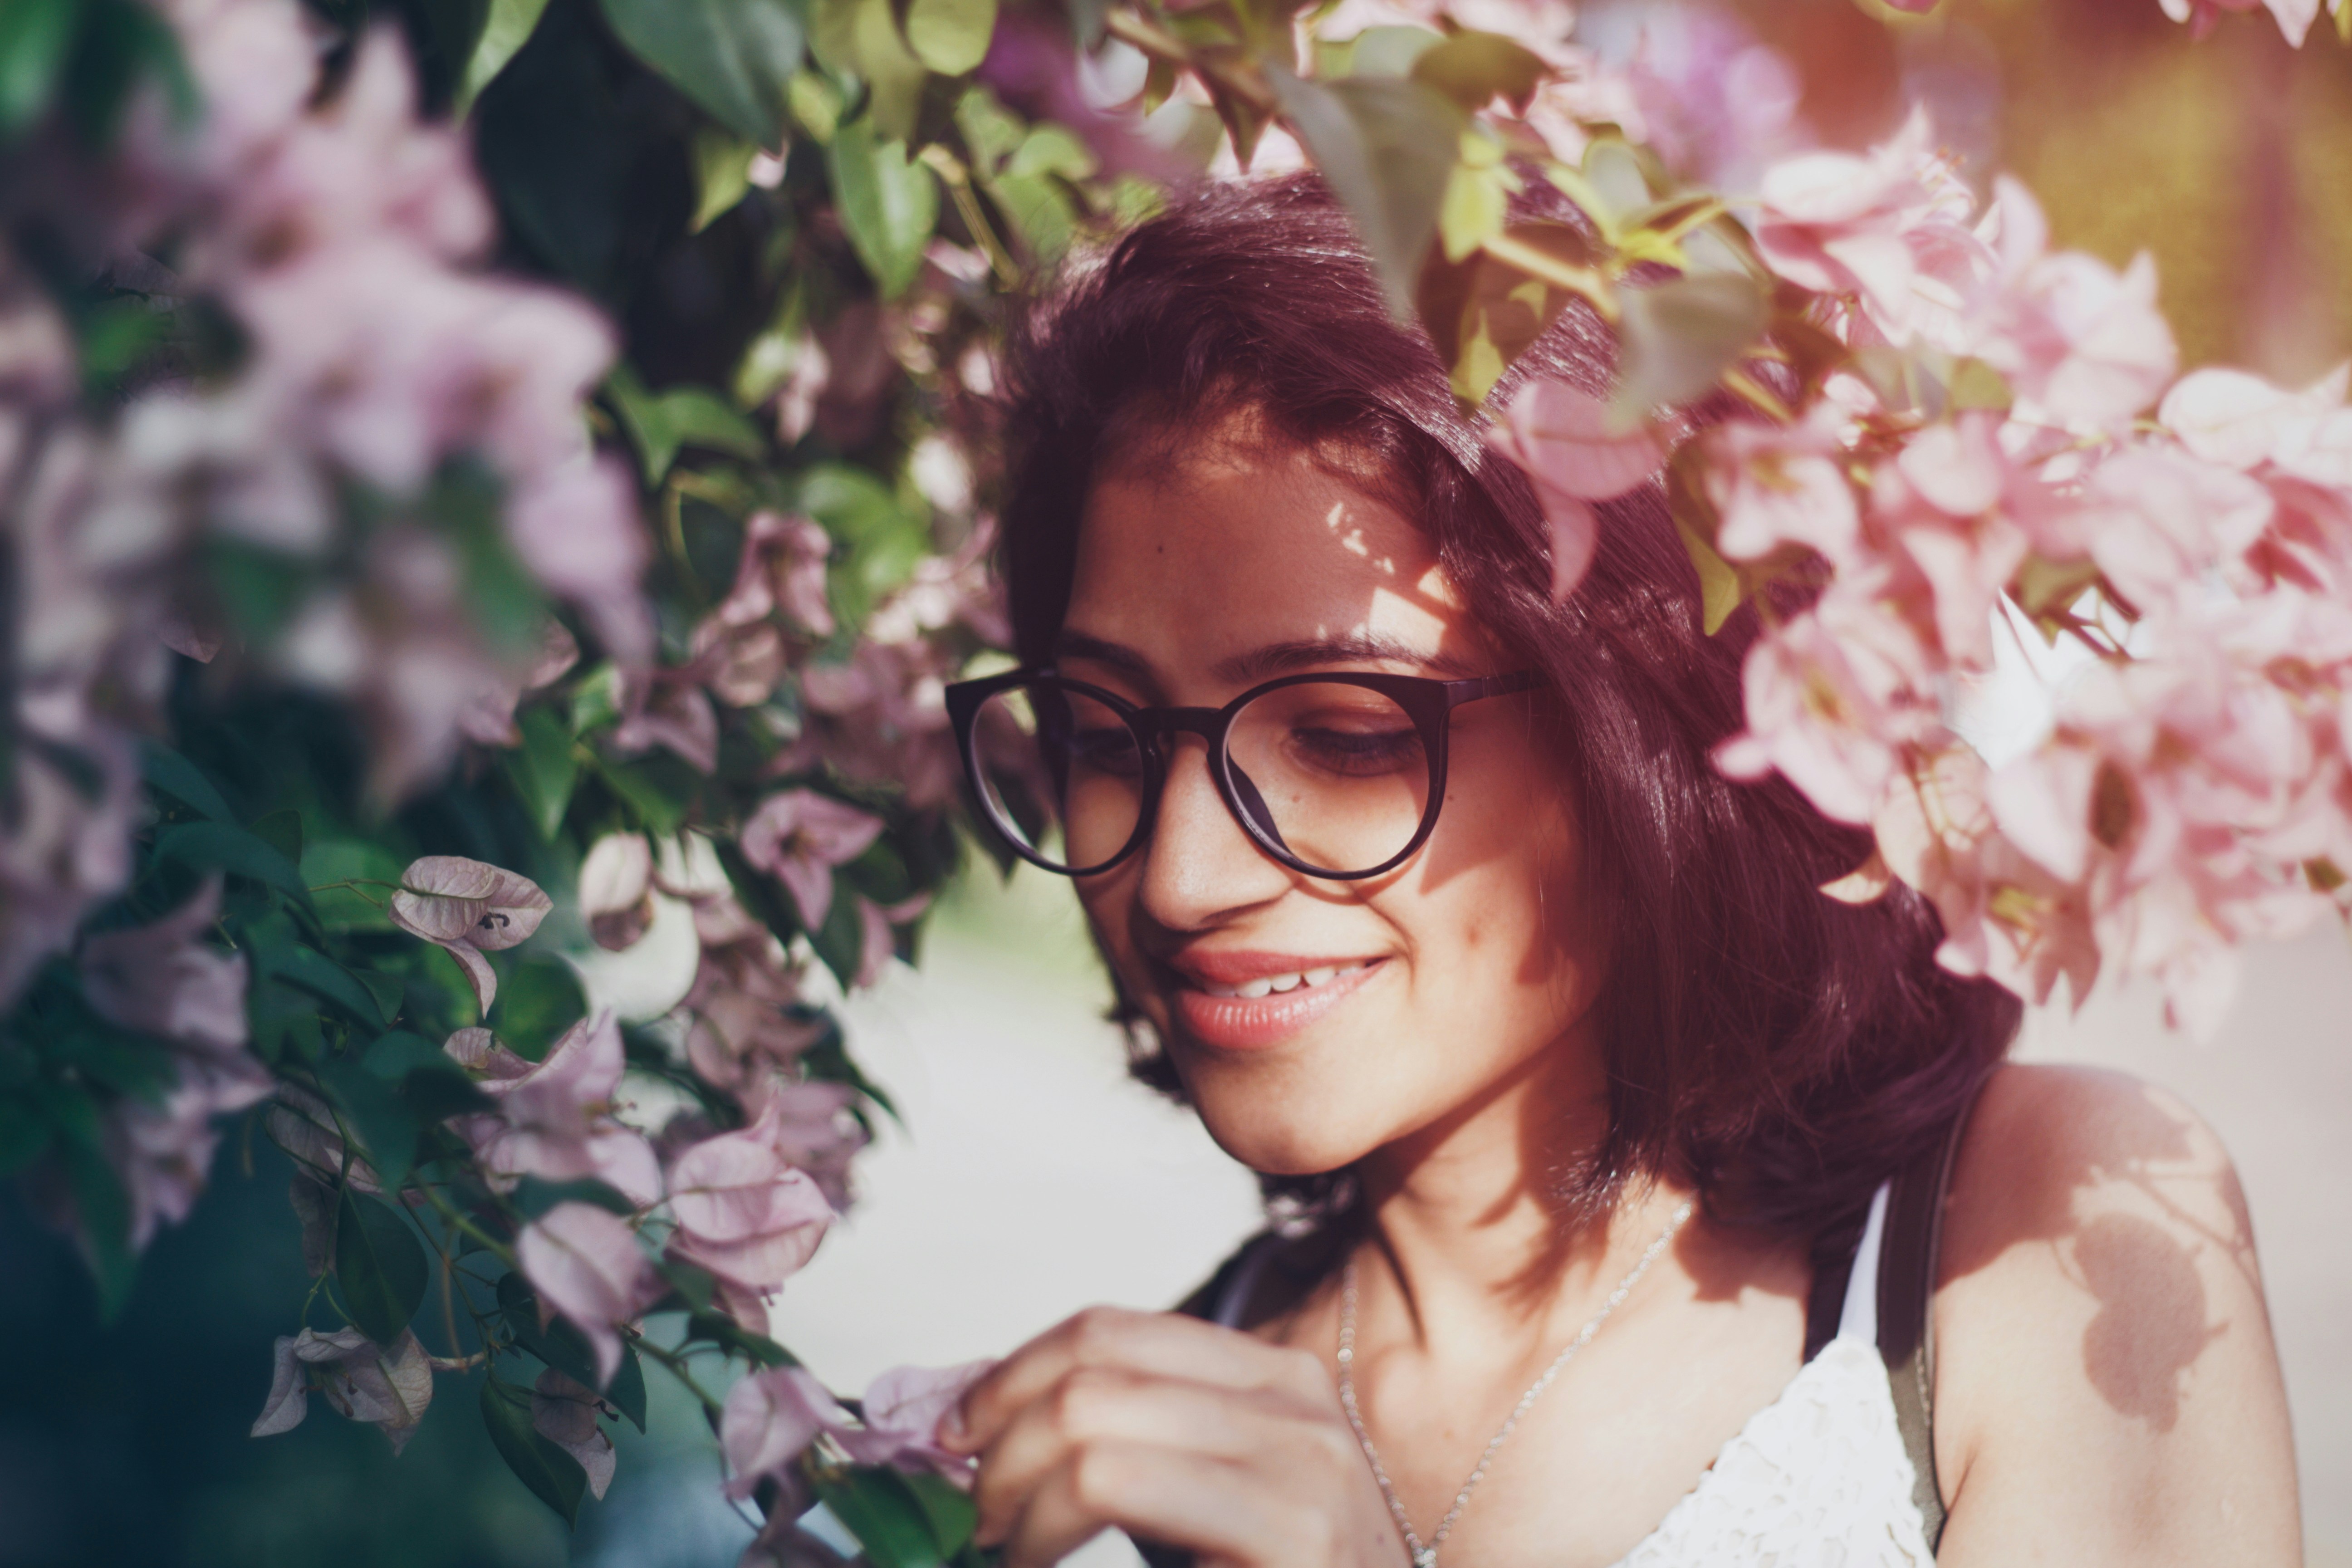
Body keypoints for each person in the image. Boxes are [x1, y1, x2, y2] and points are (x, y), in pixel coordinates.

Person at [931, 175, 2301, 1568]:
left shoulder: (2034, 1241)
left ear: (1640, 722)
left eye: (1343, 737)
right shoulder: (1138, 1458)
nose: (1177, 876)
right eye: (1106, 739)